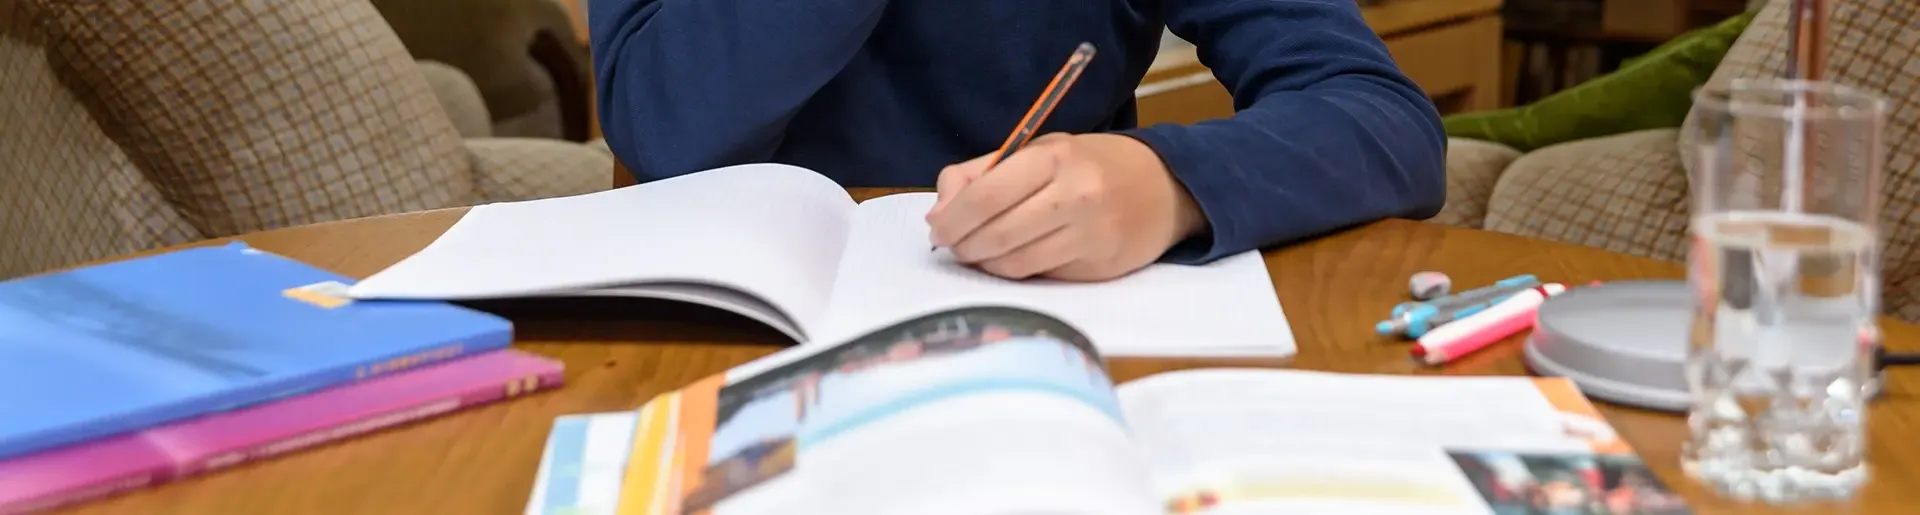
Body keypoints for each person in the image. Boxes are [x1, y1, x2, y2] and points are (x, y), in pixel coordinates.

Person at [589, 0, 1446, 281]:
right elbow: (667, 128)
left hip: (1040, 308)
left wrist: (1171, 184)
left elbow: (1383, 120)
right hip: (726, 325)